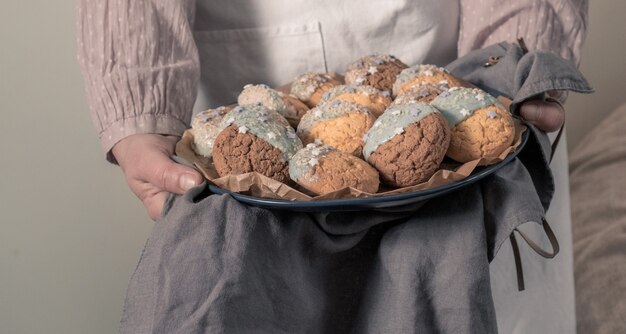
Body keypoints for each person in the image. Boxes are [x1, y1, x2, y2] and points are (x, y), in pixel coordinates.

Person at [76, 0, 587, 332]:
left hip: (470, 115)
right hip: (255, 133)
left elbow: (511, 59)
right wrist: (137, 102)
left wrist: (515, 54)